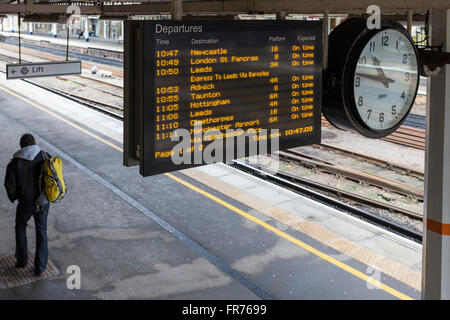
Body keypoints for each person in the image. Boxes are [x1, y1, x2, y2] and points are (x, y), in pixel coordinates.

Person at [4, 134, 50, 277]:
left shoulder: (14, 163)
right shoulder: (45, 156)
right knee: (41, 231)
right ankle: (40, 267)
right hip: (43, 201)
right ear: (34, 143)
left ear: (21, 146)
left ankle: (22, 260)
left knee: (20, 226)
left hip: (26, 202)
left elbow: (9, 185)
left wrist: (15, 197)